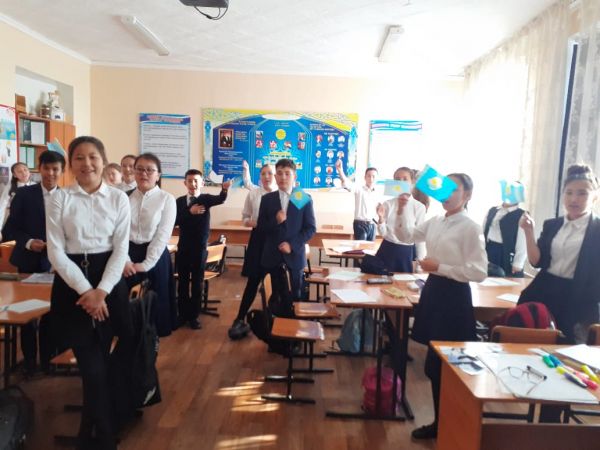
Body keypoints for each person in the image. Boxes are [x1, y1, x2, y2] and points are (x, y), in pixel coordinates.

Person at [46, 136, 132, 449]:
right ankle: (105, 437)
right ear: (70, 164)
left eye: (93, 156)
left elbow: (121, 249)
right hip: (73, 284)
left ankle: (87, 433)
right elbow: (55, 252)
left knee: (102, 364)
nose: (87, 164)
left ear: (103, 160)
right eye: (79, 158)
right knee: (92, 366)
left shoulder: (119, 199)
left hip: (109, 281)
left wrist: (102, 291)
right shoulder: (59, 198)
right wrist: (87, 291)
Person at [393, 173, 487, 440]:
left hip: (454, 297)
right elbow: (406, 235)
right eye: (445, 187)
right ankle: (441, 423)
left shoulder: (471, 227)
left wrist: (440, 267)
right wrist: (401, 209)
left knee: (446, 365)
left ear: (467, 195)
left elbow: (479, 271)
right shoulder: (436, 221)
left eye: (454, 189)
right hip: (434, 290)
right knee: (434, 364)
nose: (447, 193)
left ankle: (450, 424)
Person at [518, 164, 600, 344]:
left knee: (567, 348)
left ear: (594, 196)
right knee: (529, 343)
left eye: (582, 193)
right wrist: (529, 232)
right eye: (569, 193)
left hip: (578, 297)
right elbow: (537, 261)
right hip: (544, 290)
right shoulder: (553, 225)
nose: (574, 199)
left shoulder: (597, 229)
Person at [3, 151, 65, 373]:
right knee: (27, 314)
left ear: (62, 171)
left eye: (56, 169)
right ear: (40, 169)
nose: (51, 173)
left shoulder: (68, 196)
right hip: (28, 261)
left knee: (51, 314)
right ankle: (29, 362)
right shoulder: (24, 194)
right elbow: (9, 229)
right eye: (47, 168)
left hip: (57, 264)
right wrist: (29, 242)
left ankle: (48, 360)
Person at [123, 153, 177, 337]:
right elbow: (118, 232)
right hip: (127, 255)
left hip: (155, 255)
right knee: (127, 302)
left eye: (149, 170)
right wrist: (125, 260)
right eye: (139, 169)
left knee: (156, 304)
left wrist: (146, 264)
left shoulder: (166, 199)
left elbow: (163, 235)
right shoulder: (124, 197)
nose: (144, 174)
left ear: (158, 175)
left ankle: (152, 339)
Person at [176, 169, 231, 330]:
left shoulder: (205, 199)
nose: (193, 184)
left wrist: (224, 189)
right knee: (183, 282)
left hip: (199, 249)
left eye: (196, 181)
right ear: (184, 183)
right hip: (183, 247)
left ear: (202, 183)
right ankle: (182, 314)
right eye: (189, 180)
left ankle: (193, 316)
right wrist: (190, 211)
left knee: (197, 283)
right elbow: (175, 221)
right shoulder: (179, 201)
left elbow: (221, 199)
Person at [256, 158, 316, 306]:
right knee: (273, 300)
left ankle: (293, 320)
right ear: (275, 177)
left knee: (295, 299)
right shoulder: (267, 199)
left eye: (287, 173)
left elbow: (310, 228)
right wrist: (275, 221)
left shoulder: (302, 197)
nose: (283, 177)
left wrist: (292, 245)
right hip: (272, 257)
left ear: (294, 176)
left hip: (294, 258)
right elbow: (261, 228)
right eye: (280, 173)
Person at [228, 160, 275, 339]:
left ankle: (274, 322)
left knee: (275, 284)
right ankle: (240, 318)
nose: (266, 177)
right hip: (258, 240)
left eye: (270, 173)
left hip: (275, 242)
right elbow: (245, 217)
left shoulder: (284, 193)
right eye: (263, 173)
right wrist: (251, 223)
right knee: (253, 282)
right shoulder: (254, 194)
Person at [375, 167, 426, 272]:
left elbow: (420, 238)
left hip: (406, 252)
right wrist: (381, 218)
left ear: (412, 182)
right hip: (387, 249)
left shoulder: (419, 207)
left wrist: (420, 263)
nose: (401, 182)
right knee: (380, 280)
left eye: (405, 179)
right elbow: (383, 234)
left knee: (403, 282)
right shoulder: (388, 204)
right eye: (397, 179)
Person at [483, 186, 526, 277]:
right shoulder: (492, 210)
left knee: (504, 279)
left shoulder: (521, 215)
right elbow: (483, 231)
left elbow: (523, 242)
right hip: (489, 249)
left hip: (505, 253)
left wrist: (518, 263)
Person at [335, 159, 378, 241]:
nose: (371, 179)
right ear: (365, 177)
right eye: (369, 176)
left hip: (373, 224)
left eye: (373, 176)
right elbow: (346, 183)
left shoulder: (378, 192)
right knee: (360, 247)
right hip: (360, 224)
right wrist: (340, 170)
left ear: (377, 178)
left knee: (371, 248)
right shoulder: (359, 189)